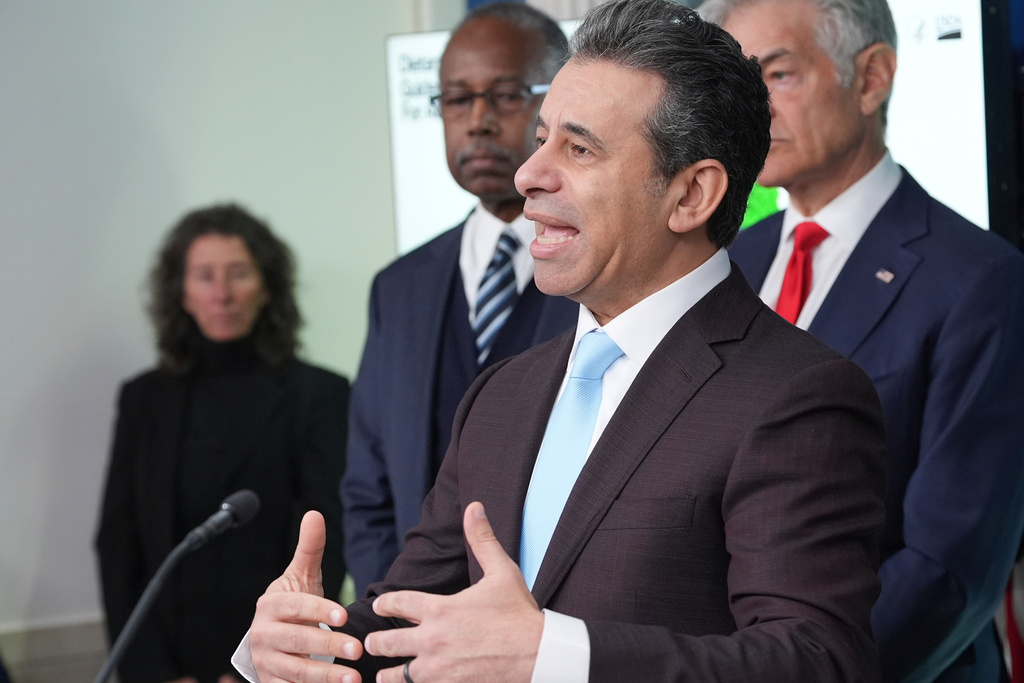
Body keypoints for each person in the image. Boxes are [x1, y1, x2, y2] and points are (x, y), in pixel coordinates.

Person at [236, 1, 888, 681]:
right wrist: (300, 643)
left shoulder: (796, 395)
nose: (528, 175)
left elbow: (818, 661)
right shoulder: (501, 394)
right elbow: (409, 624)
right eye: (542, 138)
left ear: (692, 195)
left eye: (578, 148)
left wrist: (554, 654)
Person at [697, 0, 1024, 680]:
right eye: (734, 87)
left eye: (777, 77)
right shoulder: (723, 264)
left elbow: (949, 569)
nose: (749, 113)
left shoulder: (980, 280)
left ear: (871, 77)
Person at [341, 2, 577, 598]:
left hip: (552, 630)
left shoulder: (606, 273)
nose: (477, 121)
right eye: (455, 99)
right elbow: (369, 491)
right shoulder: (399, 288)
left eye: (504, 95)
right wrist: (392, 618)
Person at [95, 204, 349, 683]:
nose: (222, 293)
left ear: (267, 286)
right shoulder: (143, 400)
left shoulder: (321, 395)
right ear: (182, 294)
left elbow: (324, 543)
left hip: (267, 655)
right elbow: (118, 543)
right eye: (204, 276)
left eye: (238, 274)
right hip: (163, 659)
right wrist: (153, 671)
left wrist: (257, 664)